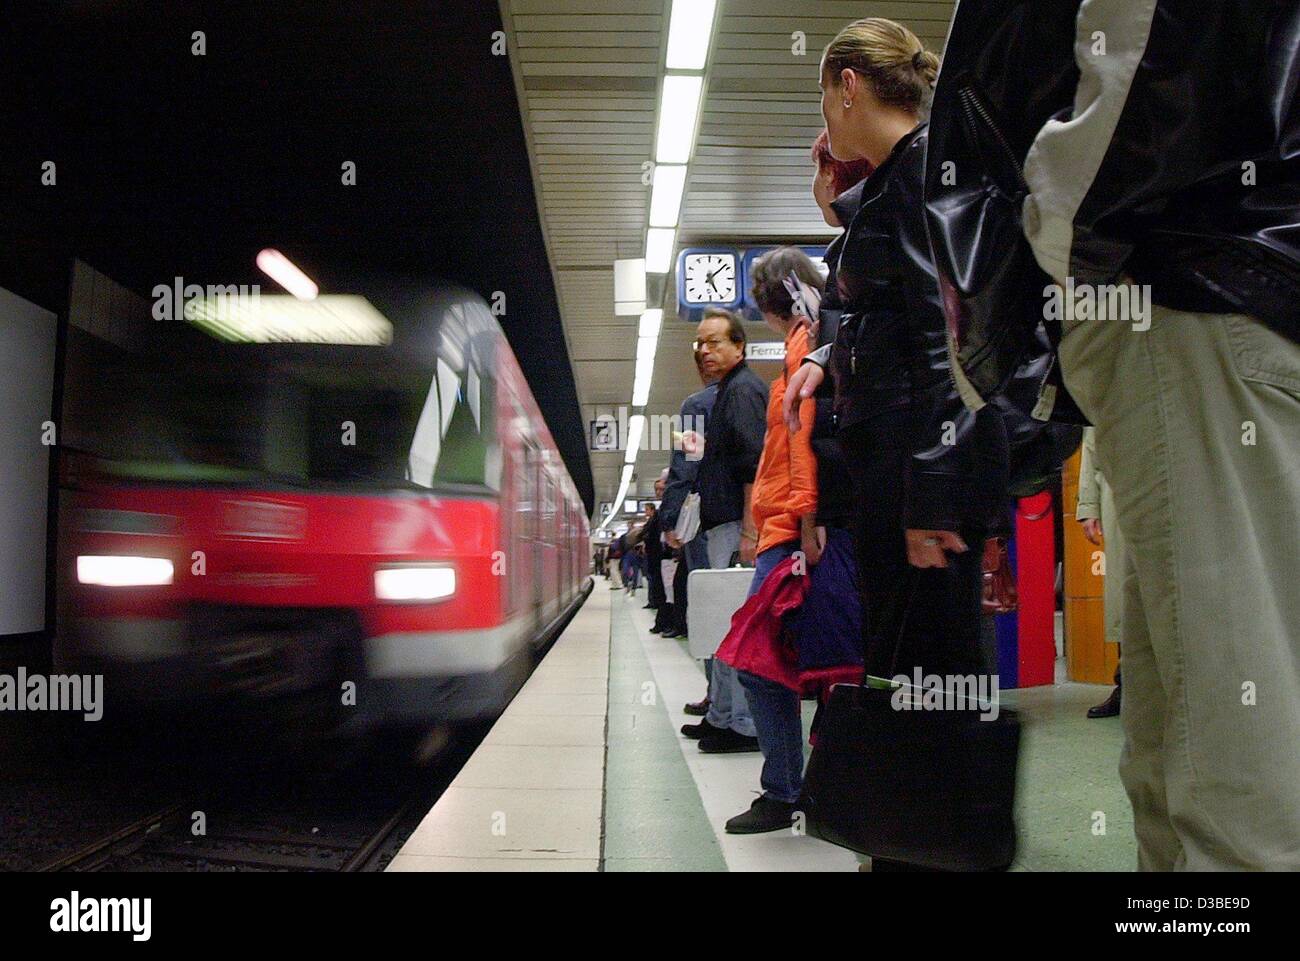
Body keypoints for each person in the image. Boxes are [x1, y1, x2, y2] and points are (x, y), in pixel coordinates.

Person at [926, 0, 1300, 871]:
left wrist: (1053, 243)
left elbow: (1150, 42)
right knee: (1187, 731)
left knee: (1229, 756)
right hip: (1225, 293)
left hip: (1199, 286)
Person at [784, 15, 1008, 790]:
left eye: (823, 104)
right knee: (909, 669)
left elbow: (946, 342)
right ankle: (915, 833)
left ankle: (935, 834)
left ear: (849, 87)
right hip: (902, 468)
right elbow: (894, 307)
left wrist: (934, 497)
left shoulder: (921, 175)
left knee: (929, 674)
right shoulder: (906, 176)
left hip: (917, 471)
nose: (825, 124)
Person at [721, 246, 863, 833]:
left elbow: (805, 442)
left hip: (798, 531)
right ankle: (812, 789)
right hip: (790, 525)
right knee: (818, 663)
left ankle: (789, 790)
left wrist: (807, 521)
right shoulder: (806, 346)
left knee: (759, 657)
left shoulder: (807, 344)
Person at [680, 308, 768, 754]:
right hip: (723, 525)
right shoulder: (728, 391)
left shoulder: (745, 392)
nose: (706, 350)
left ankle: (743, 725)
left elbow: (754, 467)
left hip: (737, 526)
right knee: (722, 627)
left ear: (740, 346)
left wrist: (751, 536)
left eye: (716, 342)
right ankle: (722, 715)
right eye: (701, 343)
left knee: (736, 629)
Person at [1076, 427, 1122, 718]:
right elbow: (1092, 437)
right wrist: (1088, 505)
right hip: (1118, 488)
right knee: (1124, 595)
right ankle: (1128, 684)